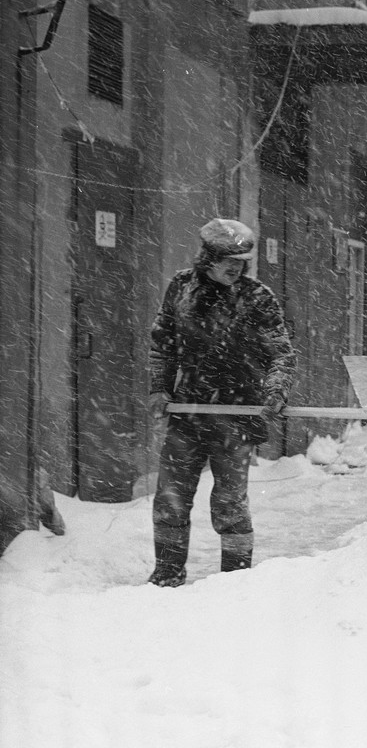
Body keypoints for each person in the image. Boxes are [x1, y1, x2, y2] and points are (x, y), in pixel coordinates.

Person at [147, 218, 295, 587]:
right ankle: (167, 570)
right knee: (171, 497)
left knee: (229, 502)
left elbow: (281, 355)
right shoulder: (181, 289)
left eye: (243, 261)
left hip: (236, 414)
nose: (237, 268)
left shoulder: (258, 298)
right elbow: (163, 344)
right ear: (207, 257)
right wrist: (159, 388)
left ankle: (235, 576)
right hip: (188, 410)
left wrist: (275, 391)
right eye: (229, 260)